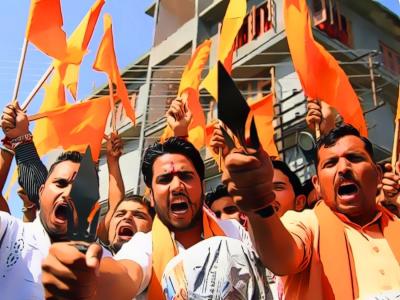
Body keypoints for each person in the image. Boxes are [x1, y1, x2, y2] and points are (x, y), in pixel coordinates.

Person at [41, 137, 278, 299]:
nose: (177, 186)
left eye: (185, 176)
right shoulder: (144, 244)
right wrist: (92, 279)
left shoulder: (234, 232)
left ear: (202, 186)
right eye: (165, 180)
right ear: (151, 197)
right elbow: (126, 274)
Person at [222, 123, 400, 299]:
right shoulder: (306, 224)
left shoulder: (397, 224)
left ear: (378, 174)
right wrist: (257, 200)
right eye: (330, 163)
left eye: (354, 158)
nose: (344, 168)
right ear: (317, 185)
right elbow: (281, 258)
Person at [0, 150, 86, 299]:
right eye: (60, 183)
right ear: (41, 191)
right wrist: (9, 146)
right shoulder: (9, 231)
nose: (68, 194)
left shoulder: (99, 259)